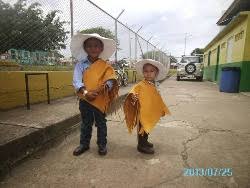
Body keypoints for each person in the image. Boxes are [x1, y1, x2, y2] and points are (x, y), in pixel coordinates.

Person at [71, 33, 119, 156]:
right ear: (85, 48)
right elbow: (76, 81)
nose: (93, 48)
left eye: (96, 46)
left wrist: (101, 89)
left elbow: (111, 79)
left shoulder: (105, 66)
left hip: (100, 99)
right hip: (85, 100)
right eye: (90, 46)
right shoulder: (80, 65)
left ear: (101, 49)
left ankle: (102, 144)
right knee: (86, 123)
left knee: (101, 123)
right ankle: (84, 144)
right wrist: (86, 92)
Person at [123, 59, 170, 154]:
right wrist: (133, 97)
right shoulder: (140, 85)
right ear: (143, 72)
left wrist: (161, 109)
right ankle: (141, 145)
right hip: (142, 113)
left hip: (150, 111)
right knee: (142, 130)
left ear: (156, 73)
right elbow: (133, 93)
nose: (148, 74)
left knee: (148, 128)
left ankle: (145, 141)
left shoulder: (155, 85)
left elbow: (157, 98)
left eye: (151, 71)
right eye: (146, 71)